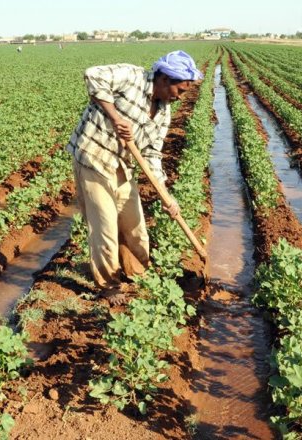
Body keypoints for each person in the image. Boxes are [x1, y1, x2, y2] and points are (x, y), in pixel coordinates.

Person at [66, 50, 203, 304]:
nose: (181, 97)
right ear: (164, 80)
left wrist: (165, 194)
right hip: (94, 157)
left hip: (123, 164)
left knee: (135, 225)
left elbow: (152, 154)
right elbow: (93, 75)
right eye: (180, 91)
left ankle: (137, 272)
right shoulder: (132, 77)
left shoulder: (163, 113)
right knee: (105, 225)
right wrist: (115, 117)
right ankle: (109, 284)